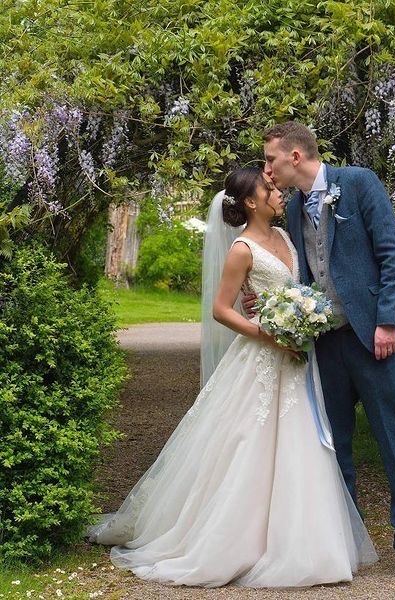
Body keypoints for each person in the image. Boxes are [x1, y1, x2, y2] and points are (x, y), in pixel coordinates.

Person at [88, 167, 377, 588]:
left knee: (302, 441)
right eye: (269, 189)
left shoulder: (286, 237)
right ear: (250, 202)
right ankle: (236, 540)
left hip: (297, 356)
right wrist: (267, 332)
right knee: (247, 443)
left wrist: (300, 317)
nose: (278, 193)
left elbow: (298, 289)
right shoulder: (242, 249)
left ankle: (306, 542)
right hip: (262, 354)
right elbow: (221, 310)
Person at [259, 121, 395, 584]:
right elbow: (302, 271)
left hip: (376, 338)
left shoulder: (358, 183)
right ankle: (346, 540)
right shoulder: (294, 209)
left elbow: (393, 256)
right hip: (327, 340)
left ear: (295, 156)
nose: (268, 170)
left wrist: (387, 321)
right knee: (332, 443)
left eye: (271, 159)